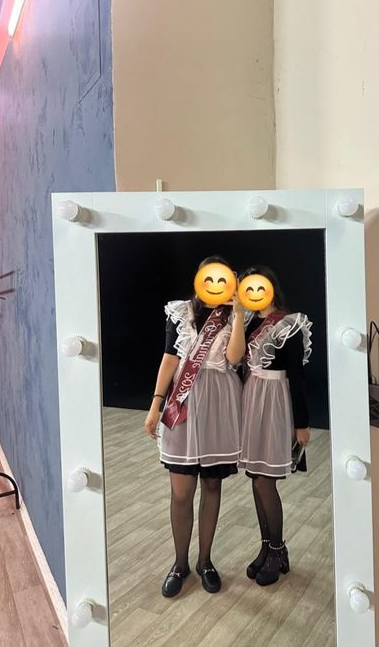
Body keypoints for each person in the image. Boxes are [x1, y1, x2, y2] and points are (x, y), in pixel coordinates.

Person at [144, 256, 245, 598]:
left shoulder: (234, 315)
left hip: (219, 404)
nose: (215, 285)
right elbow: (170, 359)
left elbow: (234, 358)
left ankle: (205, 562)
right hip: (184, 404)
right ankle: (179, 564)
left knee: (212, 486)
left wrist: (239, 313)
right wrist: (156, 403)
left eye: (222, 278)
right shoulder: (181, 312)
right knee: (181, 492)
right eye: (209, 277)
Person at [238, 266, 312, 586]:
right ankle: (267, 547)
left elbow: (297, 376)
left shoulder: (288, 324)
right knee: (256, 479)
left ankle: (279, 550)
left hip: (275, 400)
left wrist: (301, 423)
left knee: (265, 482)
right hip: (252, 398)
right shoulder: (247, 322)